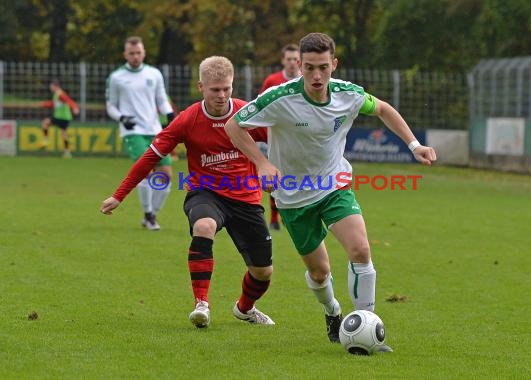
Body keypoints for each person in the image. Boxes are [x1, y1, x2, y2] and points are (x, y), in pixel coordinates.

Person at [225, 32, 437, 351]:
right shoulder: (279, 98)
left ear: (334, 64)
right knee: (320, 272)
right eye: (309, 67)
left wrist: (414, 145)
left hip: (334, 185)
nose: (316, 75)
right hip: (293, 197)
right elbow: (233, 126)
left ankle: (366, 325)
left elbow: (382, 109)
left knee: (360, 251)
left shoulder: (347, 94)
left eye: (323, 67)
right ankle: (332, 311)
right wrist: (261, 163)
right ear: (299, 65)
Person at [100, 56, 275, 328]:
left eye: (226, 89)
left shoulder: (247, 114)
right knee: (204, 227)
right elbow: (149, 157)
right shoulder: (187, 120)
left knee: (263, 272)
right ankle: (201, 304)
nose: (221, 95)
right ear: (200, 87)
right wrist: (118, 195)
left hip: (246, 198)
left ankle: (245, 308)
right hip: (205, 193)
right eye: (215, 89)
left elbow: (283, 139)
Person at [105, 36, 175, 231]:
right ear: (125, 54)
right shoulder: (117, 77)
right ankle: (149, 215)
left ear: (143, 53)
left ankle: (152, 213)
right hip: (132, 131)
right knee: (146, 171)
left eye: (138, 53)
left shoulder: (154, 74)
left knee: (166, 175)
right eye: (131, 53)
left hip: (155, 130)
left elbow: (161, 99)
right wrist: (121, 118)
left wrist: (169, 114)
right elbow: (110, 105)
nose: (135, 56)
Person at [259, 43, 301, 231]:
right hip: (275, 138)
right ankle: (274, 218)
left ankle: (292, 214)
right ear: (283, 60)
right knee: (274, 177)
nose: (292, 63)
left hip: (300, 138)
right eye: (289, 59)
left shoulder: (307, 81)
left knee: (298, 177)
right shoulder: (272, 80)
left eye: (295, 59)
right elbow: (260, 107)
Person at [39, 79, 80, 158]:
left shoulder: (60, 94)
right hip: (66, 117)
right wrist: (44, 104)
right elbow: (54, 104)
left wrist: (74, 107)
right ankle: (67, 152)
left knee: (45, 123)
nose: (50, 88)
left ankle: (46, 140)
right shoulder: (57, 94)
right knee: (64, 134)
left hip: (60, 116)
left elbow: (68, 100)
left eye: (51, 87)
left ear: (55, 86)